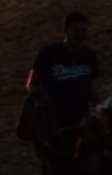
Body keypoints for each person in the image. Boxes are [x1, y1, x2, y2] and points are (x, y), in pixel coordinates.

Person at [25, 12, 98, 171]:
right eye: (76, 30)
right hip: (53, 123)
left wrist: (99, 106)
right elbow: (31, 83)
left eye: (84, 30)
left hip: (79, 121)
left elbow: (89, 86)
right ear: (65, 31)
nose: (80, 35)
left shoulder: (89, 56)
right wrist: (38, 101)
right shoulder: (48, 54)